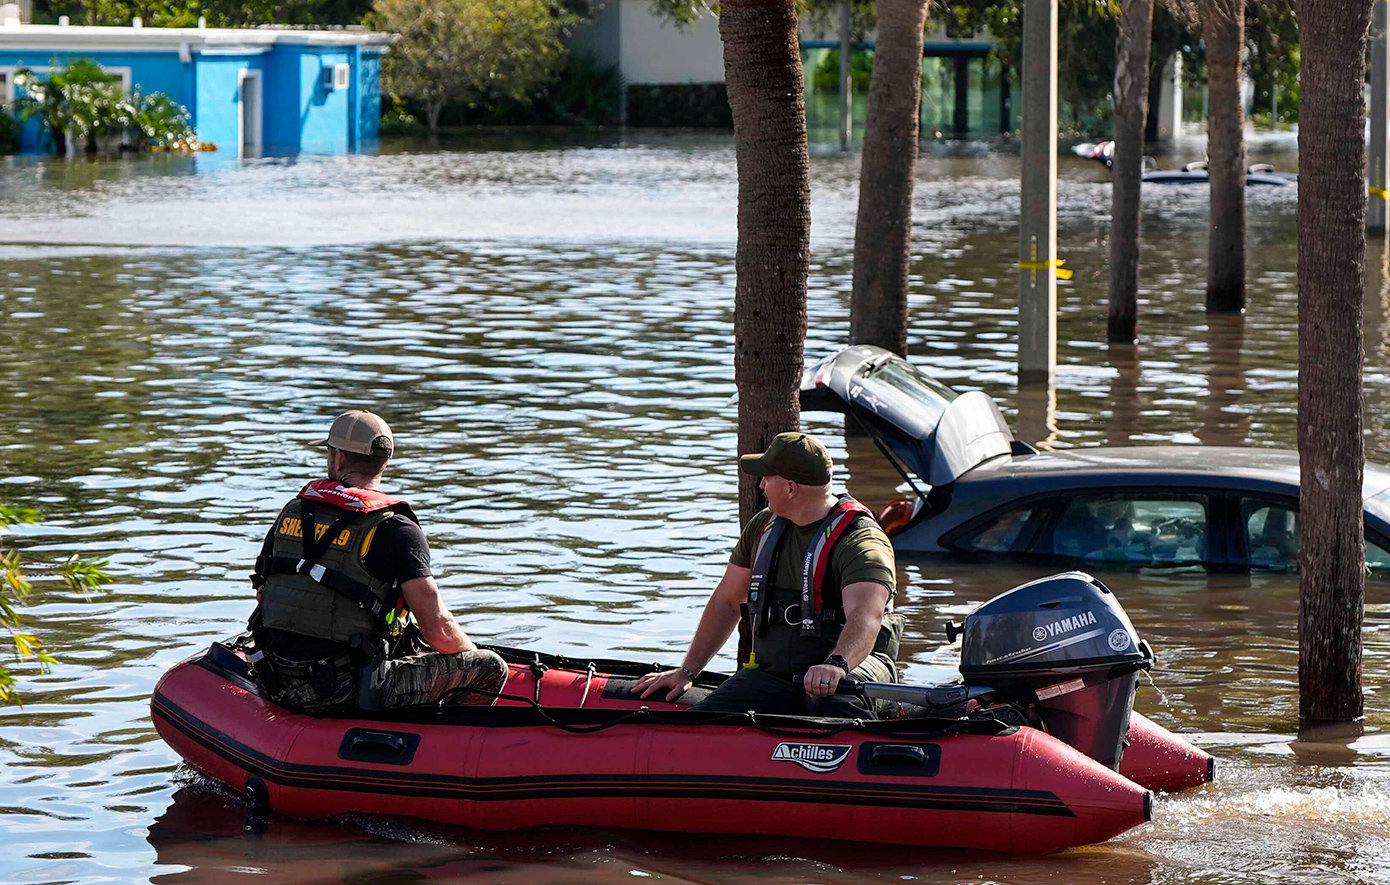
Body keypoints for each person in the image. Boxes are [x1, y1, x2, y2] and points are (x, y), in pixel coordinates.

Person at [248, 410, 507, 714]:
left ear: (338, 459)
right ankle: (446, 741)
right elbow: (437, 628)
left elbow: (264, 594)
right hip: (345, 689)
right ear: (385, 462)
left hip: (274, 675)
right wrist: (469, 657)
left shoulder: (292, 511)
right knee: (491, 667)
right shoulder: (396, 529)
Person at [631, 432, 903, 718]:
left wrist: (837, 664)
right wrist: (687, 671)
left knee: (827, 702)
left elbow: (866, 615)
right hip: (777, 676)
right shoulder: (763, 527)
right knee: (702, 722)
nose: (760, 485)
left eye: (766, 478)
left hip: (852, 669)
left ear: (790, 488)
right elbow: (727, 601)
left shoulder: (862, 542)